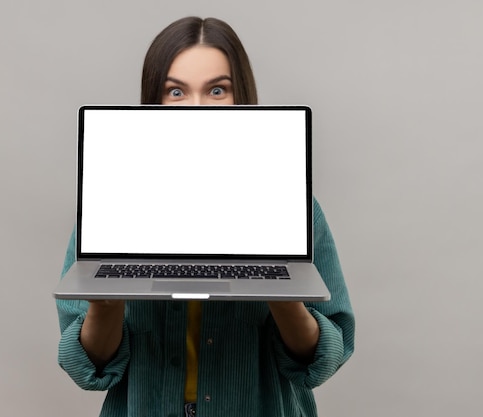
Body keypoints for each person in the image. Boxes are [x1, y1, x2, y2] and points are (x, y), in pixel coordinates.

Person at [56, 16, 354, 417]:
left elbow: (323, 359)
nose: (196, 108)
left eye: (217, 90)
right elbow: (87, 368)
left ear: (241, 97)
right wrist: (105, 304)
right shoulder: (108, 208)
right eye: (176, 91)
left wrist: (282, 295)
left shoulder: (295, 208)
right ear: (154, 102)